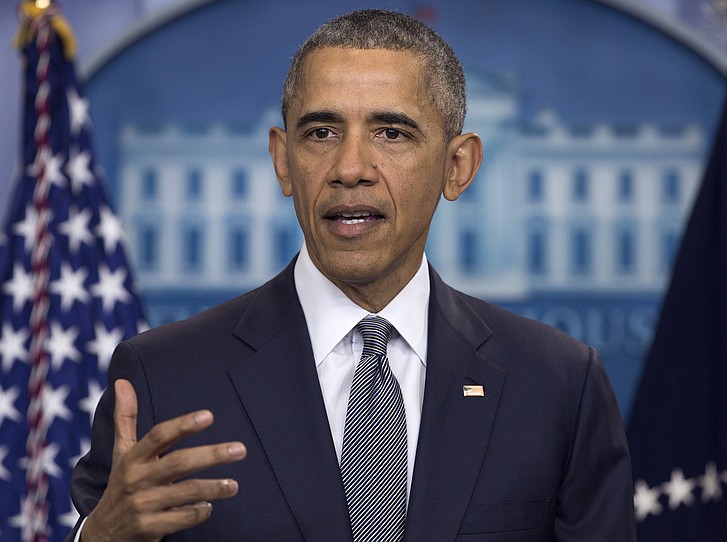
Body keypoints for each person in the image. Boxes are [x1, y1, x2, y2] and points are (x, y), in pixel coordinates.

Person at [69, 9, 636, 541]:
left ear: (457, 166)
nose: (350, 169)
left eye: (392, 133)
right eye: (321, 132)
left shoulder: (559, 382)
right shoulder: (162, 377)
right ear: (283, 160)